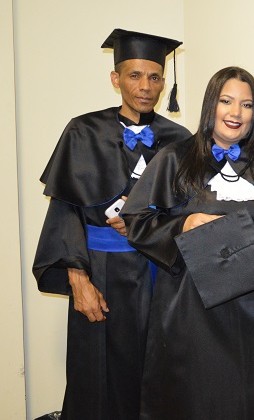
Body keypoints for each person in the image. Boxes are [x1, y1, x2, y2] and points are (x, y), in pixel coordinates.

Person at [32, 29, 191, 420]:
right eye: (134, 75)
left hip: (159, 273)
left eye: (155, 77)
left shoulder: (180, 140)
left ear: (164, 83)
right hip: (100, 272)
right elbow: (65, 210)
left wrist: (150, 227)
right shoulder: (82, 132)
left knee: (160, 373)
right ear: (115, 79)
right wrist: (77, 279)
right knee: (98, 379)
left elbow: (188, 215)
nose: (145, 86)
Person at [121, 66, 254, 419]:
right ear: (211, 105)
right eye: (226, 101)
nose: (235, 113)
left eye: (247, 104)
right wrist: (186, 222)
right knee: (197, 396)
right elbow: (138, 221)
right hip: (190, 306)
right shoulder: (175, 158)